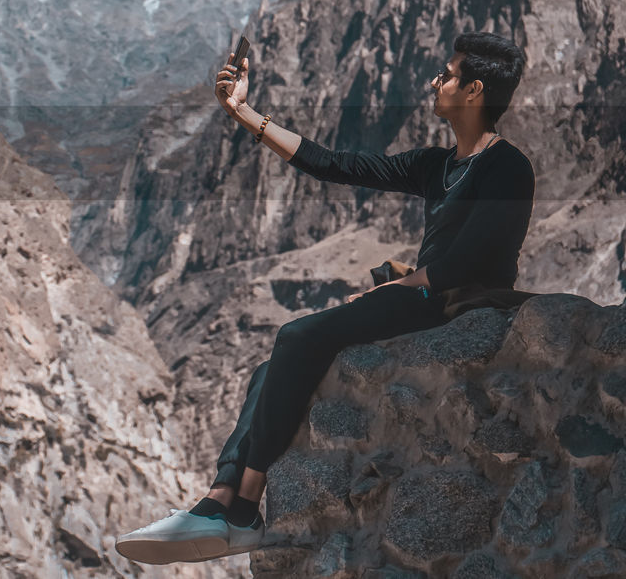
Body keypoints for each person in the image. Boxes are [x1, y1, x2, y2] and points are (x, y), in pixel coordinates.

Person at [114, 31, 535, 565]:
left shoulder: (509, 168)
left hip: (457, 306)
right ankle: (223, 501)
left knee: (297, 334)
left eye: (447, 74)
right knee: (272, 368)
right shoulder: (439, 164)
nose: (436, 81)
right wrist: (244, 112)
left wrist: (399, 283)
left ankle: (238, 506)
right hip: (423, 295)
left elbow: (468, 263)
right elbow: (334, 164)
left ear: (474, 90)